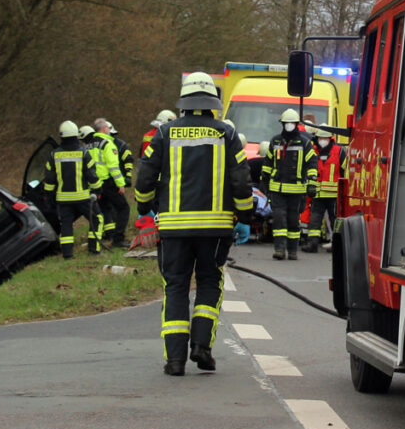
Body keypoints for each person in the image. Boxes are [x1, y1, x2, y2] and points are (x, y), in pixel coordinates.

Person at [133, 73, 252, 376]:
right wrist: (245, 217)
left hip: (173, 228)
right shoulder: (227, 133)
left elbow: (145, 178)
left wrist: (144, 210)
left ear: (184, 102)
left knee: (175, 287)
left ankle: (174, 361)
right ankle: (202, 346)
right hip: (215, 228)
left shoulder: (163, 134)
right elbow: (240, 181)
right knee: (210, 284)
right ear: (212, 102)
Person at [262, 107, 316, 260]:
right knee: (279, 219)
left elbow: (312, 163)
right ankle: (279, 250)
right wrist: (264, 181)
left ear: (296, 124)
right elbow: (268, 163)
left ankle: (292, 251)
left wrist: (312, 182)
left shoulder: (305, 143)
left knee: (293, 222)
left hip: (296, 190)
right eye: (286, 123)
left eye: (291, 123)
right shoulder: (276, 141)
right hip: (277, 189)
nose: (289, 126)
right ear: (282, 124)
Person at [44, 120, 101, 257]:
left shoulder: (54, 155)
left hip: (63, 199)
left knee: (66, 225)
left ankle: (67, 253)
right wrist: (97, 189)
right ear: (76, 135)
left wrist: (49, 196)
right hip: (83, 197)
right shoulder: (84, 153)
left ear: (61, 136)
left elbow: (49, 179)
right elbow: (92, 175)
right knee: (97, 219)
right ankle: (94, 249)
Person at [303, 130, 346, 253]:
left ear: (330, 139)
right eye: (320, 138)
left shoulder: (339, 151)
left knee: (335, 222)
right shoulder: (313, 151)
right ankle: (312, 244)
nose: (322, 140)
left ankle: (336, 245)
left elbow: (345, 171)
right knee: (314, 221)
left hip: (334, 195)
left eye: (325, 138)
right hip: (317, 194)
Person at [90, 118, 130, 247]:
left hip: (95, 184)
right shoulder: (108, 144)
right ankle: (118, 239)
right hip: (108, 183)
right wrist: (120, 184)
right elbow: (113, 166)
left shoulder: (89, 145)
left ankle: (106, 236)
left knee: (104, 209)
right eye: (107, 127)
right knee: (124, 208)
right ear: (104, 129)